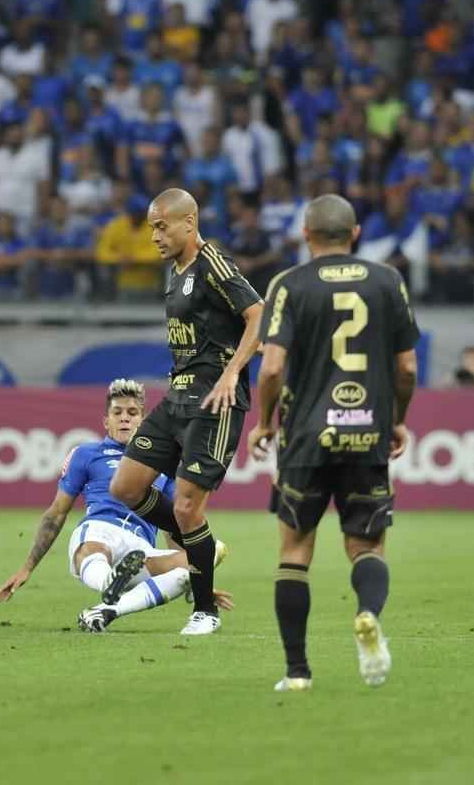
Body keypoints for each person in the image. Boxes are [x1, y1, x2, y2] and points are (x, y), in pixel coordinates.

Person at [248, 194, 419, 691]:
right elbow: (406, 367)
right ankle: (367, 614)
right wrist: (396, 420)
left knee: (295, 550)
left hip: (305, 437)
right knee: (366, 545)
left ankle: (297, 673)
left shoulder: (289, 285)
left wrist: (265, 422)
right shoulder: (388, 280)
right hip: (367, 430)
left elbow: (273, 366)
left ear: (305, 235)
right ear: (356, 233)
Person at [108, 188, 264, 636]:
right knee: (126, 485)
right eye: (151, 227)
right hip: (177, 397)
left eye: (162, 226)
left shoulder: (212, 262)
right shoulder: (174, 273)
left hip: (215, 400)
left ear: (189, 222)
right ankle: (201, 548)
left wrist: (234, 372)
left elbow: (258, 314)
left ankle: (204, 611)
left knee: (188, 507)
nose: (154, 236)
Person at [0, 379, 230, 632]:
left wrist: (199, 580)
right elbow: (56, 513)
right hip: (100, 530)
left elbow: (175, 525)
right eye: (117, 413)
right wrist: (27, 568)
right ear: (106, 421)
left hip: (140, 549)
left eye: (132, 413)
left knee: (199, 561)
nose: (124, 419)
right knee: (93, 549)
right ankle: (109, 582)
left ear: (145, 420)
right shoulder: (85, 454)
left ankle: (107, 610)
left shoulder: (165, 464)